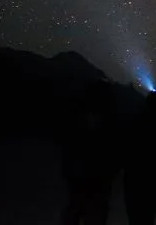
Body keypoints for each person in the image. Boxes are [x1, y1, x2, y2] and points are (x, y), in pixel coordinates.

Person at [60, 80, 120, 225]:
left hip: (85, 177)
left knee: (77, 210)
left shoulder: (79, 118)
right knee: (89, 212)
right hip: (91, 178)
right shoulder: (108, 121)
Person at [124, 91, 156, 225]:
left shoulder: (139, 121)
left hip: (138, 176)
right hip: (155, 177)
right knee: (148, 214)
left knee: (137, 214)